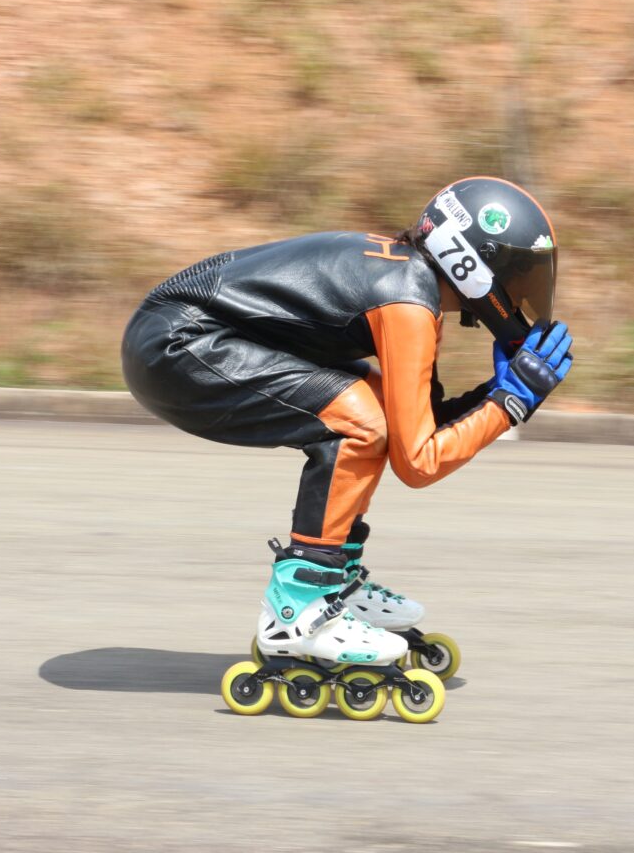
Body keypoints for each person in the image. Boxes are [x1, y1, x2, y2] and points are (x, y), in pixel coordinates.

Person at [121, 176, 573, 707]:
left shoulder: (412, 283)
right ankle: (300, 604)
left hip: (180, 336)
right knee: (360, 420)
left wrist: (496, 395)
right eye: (520, 273)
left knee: (373, 409)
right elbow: (419, 462)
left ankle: (332, 582)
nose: (523, 290)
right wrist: (509, 405)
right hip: (177, 346)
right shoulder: (407, 302)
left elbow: (418, 425)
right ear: (474, 263)